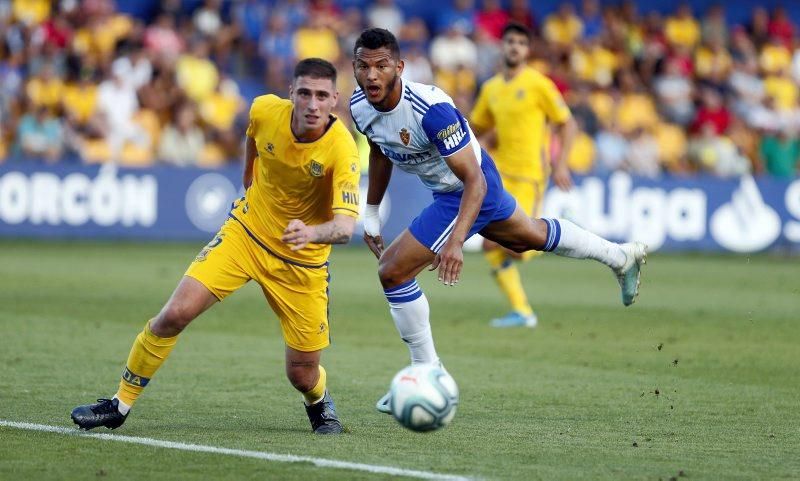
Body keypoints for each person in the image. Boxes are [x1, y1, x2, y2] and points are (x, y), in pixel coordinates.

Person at [348, 28, 646, 414]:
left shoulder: (431, 110)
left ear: (400, 67)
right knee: (529, 236)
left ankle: (427, 373)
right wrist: (371, 213)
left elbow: (475, 179)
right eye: (363, 66)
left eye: (381, 66)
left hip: (471, 186)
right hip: (453, 189)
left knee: (392, 271)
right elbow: (380, 150)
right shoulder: (359, 106)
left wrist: (455, 242)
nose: (371, 75)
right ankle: (621, 256)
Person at [71, 58, 361, 435]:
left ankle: (319, 404)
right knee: (174, 314)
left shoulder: (342, 149)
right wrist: (248, 182)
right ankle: (119, 404)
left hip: (302, 263)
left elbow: (344, 227)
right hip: (246, 234)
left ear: (335, 100)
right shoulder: (263, 109)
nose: (312, 104)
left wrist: (310, 233)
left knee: (302, 374)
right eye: (304, 93)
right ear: (291, 93)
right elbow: (254, 141)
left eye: (322, 96)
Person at [470, 23, 578, 328]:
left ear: (527, 50)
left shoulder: (539, 83)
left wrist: (561, 164)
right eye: (510, 42)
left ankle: (563, 236)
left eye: (520, 42)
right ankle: (522, 311)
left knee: (520, 244)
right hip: (499, 176)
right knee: (491, 244)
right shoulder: (491, 88)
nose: (514, 47)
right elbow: (475, 128)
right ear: (502, 47)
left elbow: (567, 124)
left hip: (530, 174)